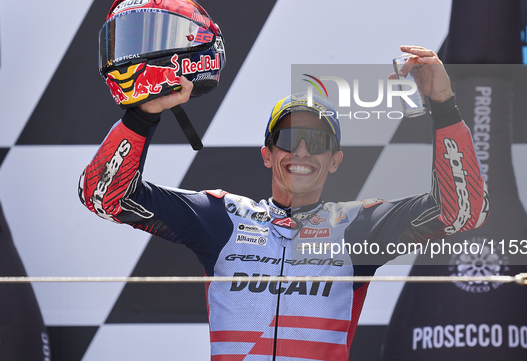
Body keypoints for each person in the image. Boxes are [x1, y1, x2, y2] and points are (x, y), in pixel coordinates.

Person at [80, 42, 489, 359]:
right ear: (268, 153)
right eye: (290, 139)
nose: (303, 152)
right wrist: (142, 116)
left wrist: (444, 106)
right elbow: (105, 197)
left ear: (334, 161)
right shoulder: (222, 219)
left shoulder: (357, 227)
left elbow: (461, 213)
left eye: (319, 142)